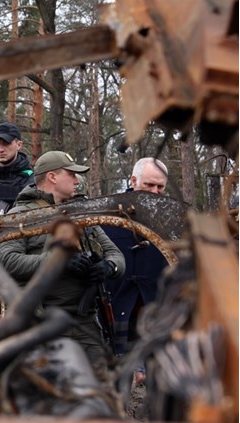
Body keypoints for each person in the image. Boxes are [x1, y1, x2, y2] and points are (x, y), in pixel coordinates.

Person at [0, 151, 125, 368]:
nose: (77, 180)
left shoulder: (79, 212)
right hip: (40, 321)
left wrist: (108, 267)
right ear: (52, 177)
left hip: (84, 321)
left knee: (101, 386)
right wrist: (58, 262)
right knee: (48, 393)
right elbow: (8, 260)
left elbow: (116, 255)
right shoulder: (20, 216)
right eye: (71, 174)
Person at [103, 158, 169, 379]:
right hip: (118, 307)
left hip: (155, 310)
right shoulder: (108, 214)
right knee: (119, 379)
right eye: (149, 185)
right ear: (133, 180)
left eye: (160, 187)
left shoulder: (170, 218)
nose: (155, 191)